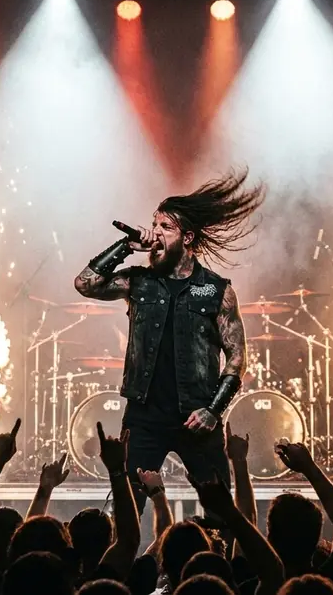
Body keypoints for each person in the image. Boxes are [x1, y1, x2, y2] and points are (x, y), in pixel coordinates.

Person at [73, 172, 264, 510]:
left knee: (220, 511)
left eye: (165, 227)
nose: (155, 234)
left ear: (187, 238)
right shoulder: (139, 283)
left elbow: (237, 357)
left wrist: (213, 411)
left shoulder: (218, 291)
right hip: (145, 417)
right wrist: (125, 247)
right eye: (153, 225)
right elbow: (85, 283)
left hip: (197, 419)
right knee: (128, 508)